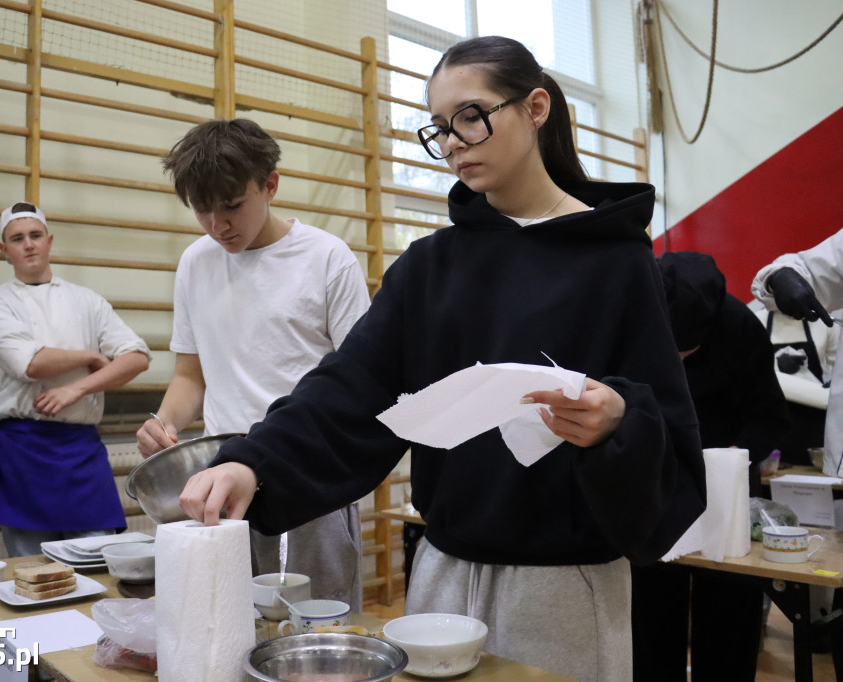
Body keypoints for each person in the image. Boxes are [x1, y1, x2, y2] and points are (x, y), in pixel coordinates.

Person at [177, 36, 705, 682]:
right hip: (440, 583)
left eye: (471, 117)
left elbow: (672, 439)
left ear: (536, 108)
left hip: (567, 593)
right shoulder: (431, 268)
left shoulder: (617, 263)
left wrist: (619, 421)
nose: (453, 141)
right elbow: (347, 391)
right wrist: (252, 463)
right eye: (437, 128)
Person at [135, 118, 371, 610]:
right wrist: (164, 422)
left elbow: (360, 384)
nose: (218, 225)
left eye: (232, 205)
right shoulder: (196, 263)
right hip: (220, 481)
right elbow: (189, 375)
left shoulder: (328, 259)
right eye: (202, 210)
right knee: (228, 628)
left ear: (270, 185)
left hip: (309, 478)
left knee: (315, 633)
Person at [632, 250, 791, 682]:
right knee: (648, 612)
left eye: (689, 351)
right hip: (655, 485)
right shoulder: (635, 316)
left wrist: (735, 457)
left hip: (727, 487)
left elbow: (771, 417)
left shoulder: (740, 326)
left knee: (728, 610)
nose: (679, 361)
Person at [0, 202, 151, 557]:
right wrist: (89, 356)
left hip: (81, 451)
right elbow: (30, 362)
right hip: (23, 449)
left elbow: (137, 357)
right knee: (30, 573)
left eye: (35, 235)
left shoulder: (87, 300)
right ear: (4, 250)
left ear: (49, 240)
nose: (28, 244)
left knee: (96, 563)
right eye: (17, 238)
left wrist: (78, 387)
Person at [753, 229, 843, 475]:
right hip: (774, 430)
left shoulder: (824, 329)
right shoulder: (757, 322)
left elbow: (831, 371)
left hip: (813, 423)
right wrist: (781, 276)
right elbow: (803, 269)